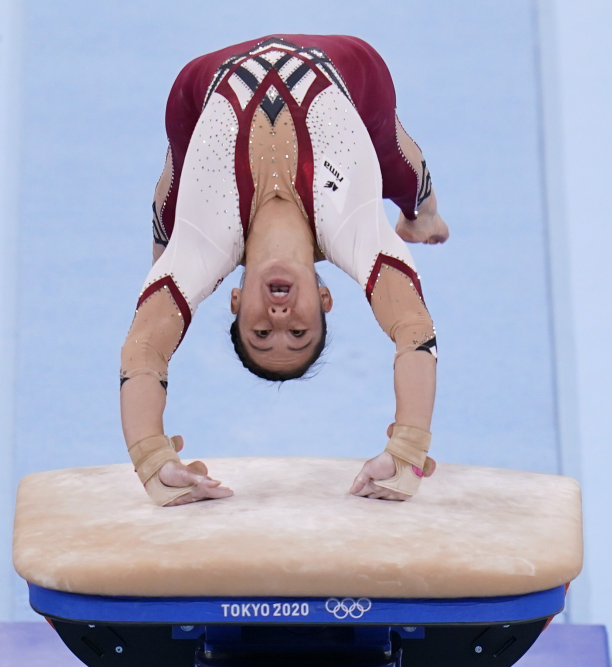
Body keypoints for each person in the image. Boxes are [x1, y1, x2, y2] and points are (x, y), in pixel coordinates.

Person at [120, 35, 449, 506]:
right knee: (402, 175)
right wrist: (409, 448)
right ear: (324, 298)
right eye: (299, 332)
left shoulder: (207, 241)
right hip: (350, 68)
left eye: (260, 332)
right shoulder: (354, 231)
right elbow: (415, 328)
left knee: (171, 232)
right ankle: (424, 220)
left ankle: (166, 269)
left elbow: (143, 351)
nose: (279, 319)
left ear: (234, 301)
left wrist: (151, 456)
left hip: (201, 87)